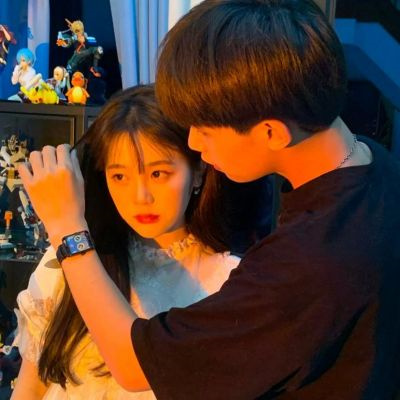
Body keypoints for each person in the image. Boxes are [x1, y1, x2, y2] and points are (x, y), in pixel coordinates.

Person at [18, 0, 400, 399]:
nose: (195, 143)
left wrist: (66, 227)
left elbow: (132, 366)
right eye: (119, 175)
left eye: (205, 129)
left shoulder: (305, 264)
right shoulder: (374, 165)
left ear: (271, 132)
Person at [12, 85, 240, 399]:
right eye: (119, 177)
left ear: (198, 171)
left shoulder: (228, 281)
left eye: (158, 174)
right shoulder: (75, 256)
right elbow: (31, 386)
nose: (140, 197)